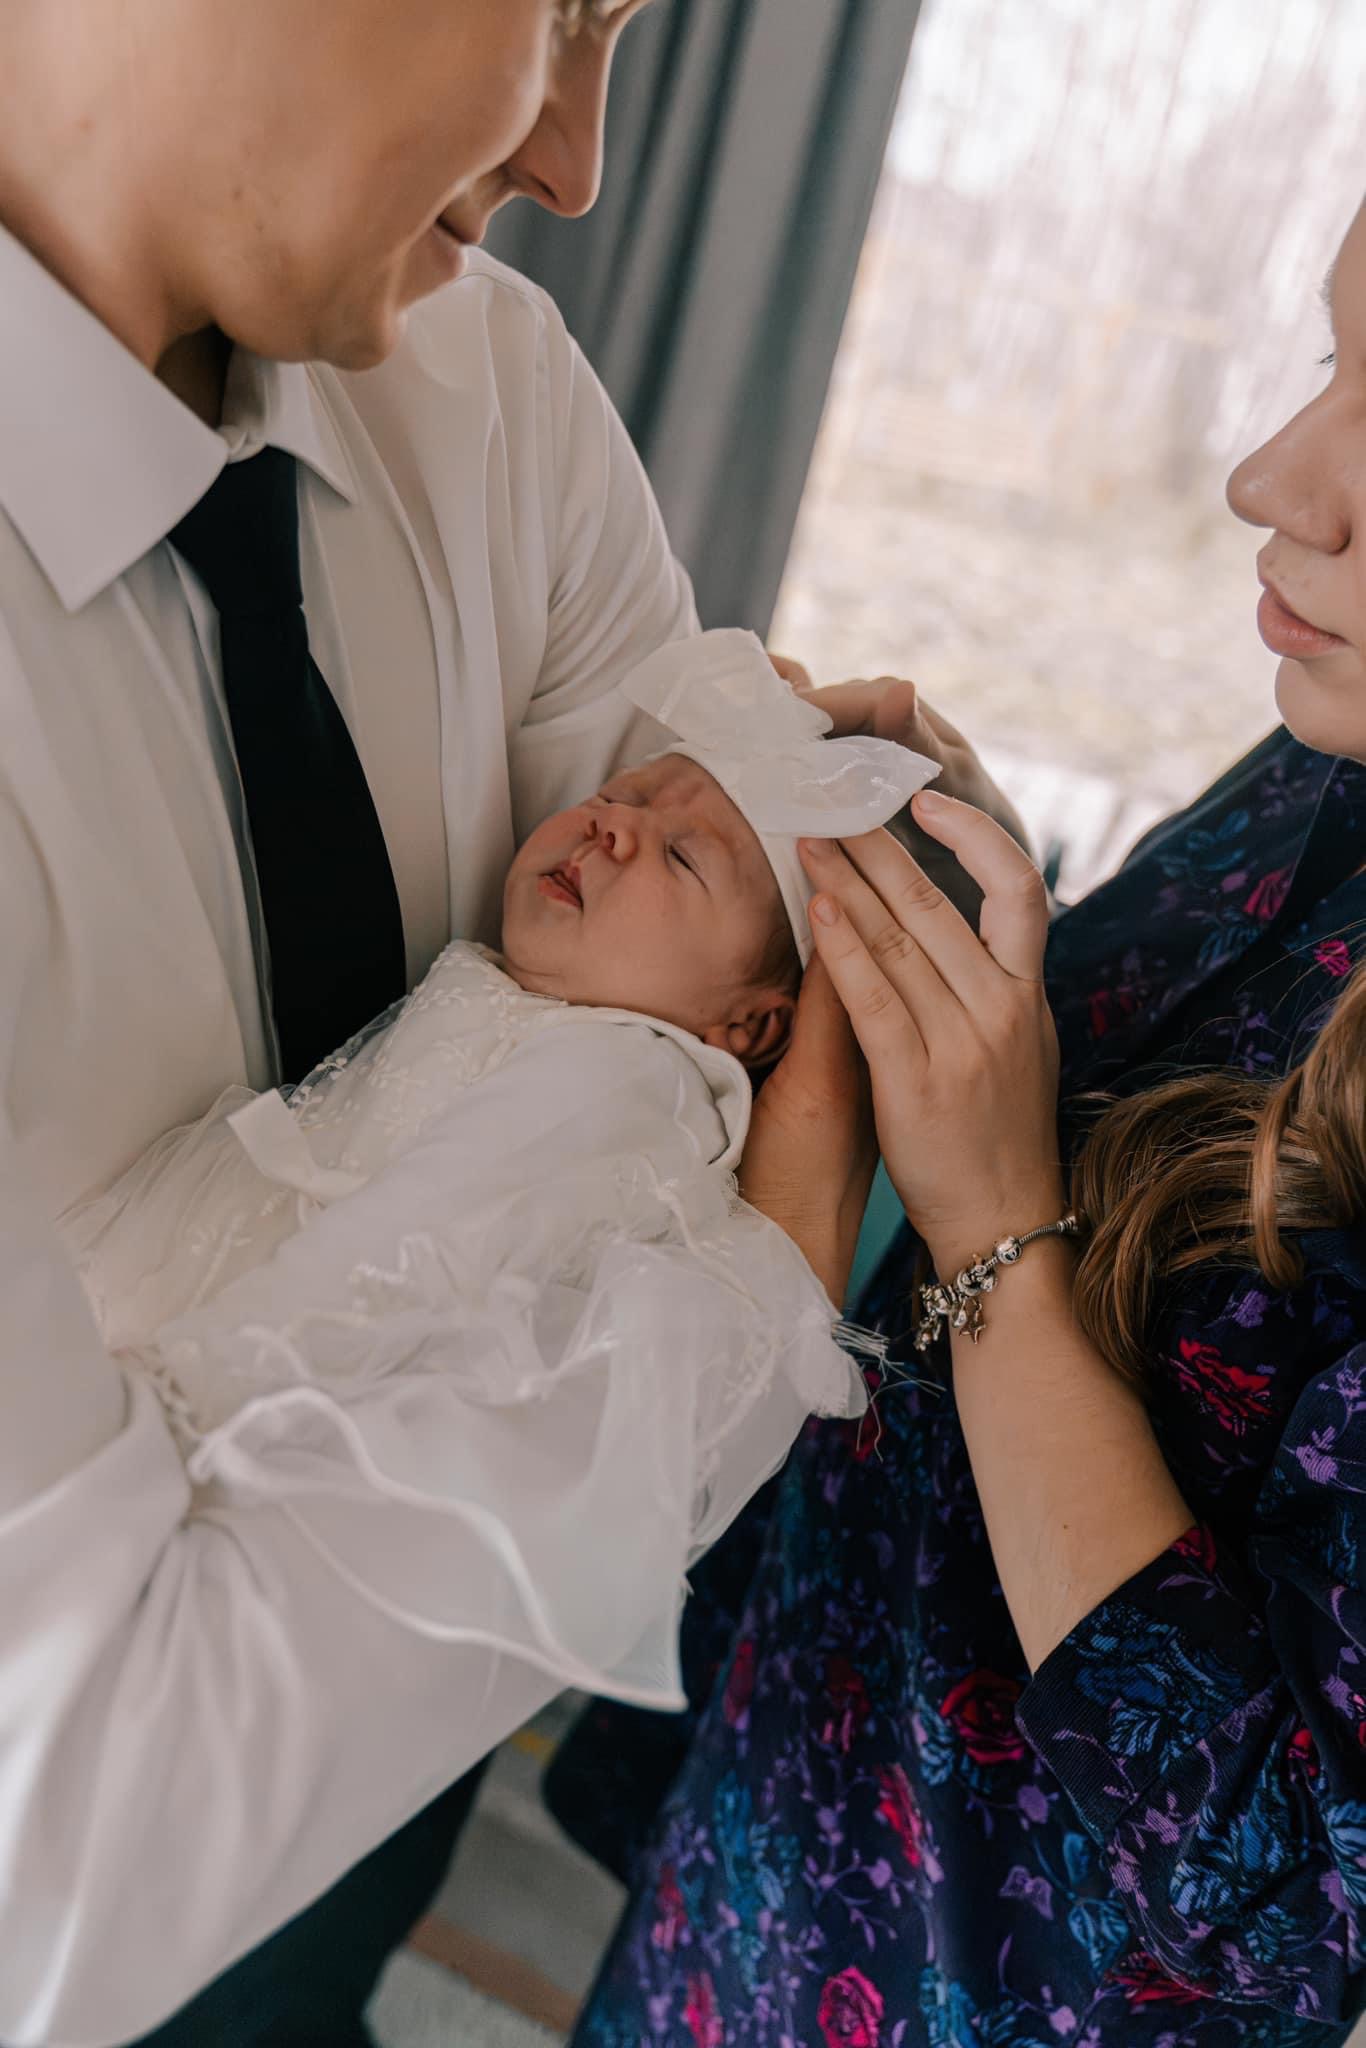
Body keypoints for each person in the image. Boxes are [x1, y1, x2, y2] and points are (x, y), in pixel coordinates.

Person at [2, 7, 1015, 2037]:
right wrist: (758, 1300)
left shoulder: (494, 399)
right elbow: (63, 1832)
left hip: (359, 1886)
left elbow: (760, 937)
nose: (576, 162)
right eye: (559, 11)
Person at [571, 198, 1366, 2047]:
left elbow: (1294, 1886)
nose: (1269, 479)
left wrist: (997, 1236)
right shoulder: (1324, 746)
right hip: (765, 1845)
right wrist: (956, 894)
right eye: (1336, 362)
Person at [62, 634, 942, 1744]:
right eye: (618, 794)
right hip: (236, 1291)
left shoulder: (631, 1072)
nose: (611, 826)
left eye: (680, 858)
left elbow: (414, 1237)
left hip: (265, 1356)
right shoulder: (553, 1014)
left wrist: (178, 1394)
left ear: (754, 1024)